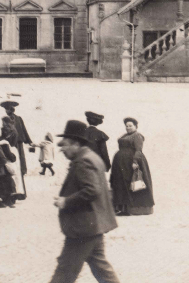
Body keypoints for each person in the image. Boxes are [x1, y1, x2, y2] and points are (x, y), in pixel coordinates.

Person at [50, 120, 120, 283]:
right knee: (102, 269)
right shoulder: (92, 157)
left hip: (83, 226)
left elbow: (92, 190)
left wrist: (65, 202)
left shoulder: (83, 161)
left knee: (65, 271)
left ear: (75, 143)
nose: (62, 150)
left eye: (64, 146)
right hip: (93, 225)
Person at [109, 117, 154, 216]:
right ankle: (122, 208)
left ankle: (134, 209)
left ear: (135, 126)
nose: (128, 127)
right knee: (121, 184)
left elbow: (138, 150)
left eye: (130, 126)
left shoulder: (137, 136)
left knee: (132, 183)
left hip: (131, 163)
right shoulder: (125, 135)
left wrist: (135, 161)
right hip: (121, 164)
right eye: (127, 126)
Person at [1, 100, 32, 199]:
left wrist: (29, 141)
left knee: (16, 167)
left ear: (9, 109)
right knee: (18, 167)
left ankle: (19, 193)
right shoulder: (16, 118)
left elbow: (21, 131)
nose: (6, 111)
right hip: (17, 145)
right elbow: (24, 131)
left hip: (15, 145)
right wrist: (29, 141)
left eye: (6, 109)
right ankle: (21, 193)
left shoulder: (10, 120)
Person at [0, 115, 23, 203]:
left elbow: (4, 139)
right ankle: (15, 194)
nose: (3, 124)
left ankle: (9, 196)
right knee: (15, 174)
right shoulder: (14, 130)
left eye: (3, 122)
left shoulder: (8, 130)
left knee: (8, 173)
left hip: (8, 150)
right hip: (13, 150)